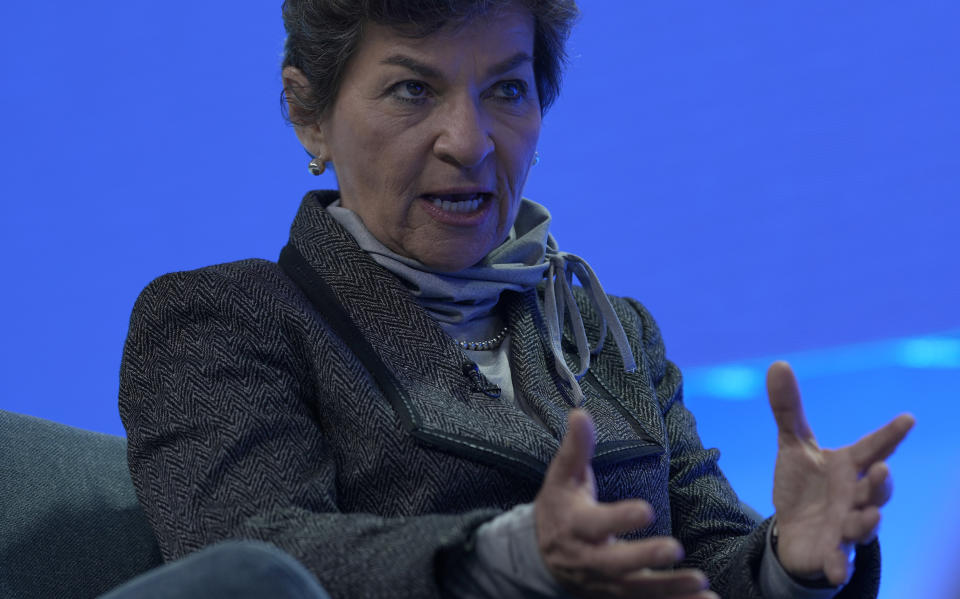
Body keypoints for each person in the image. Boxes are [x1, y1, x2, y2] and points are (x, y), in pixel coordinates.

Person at [117, 1, 914, 598]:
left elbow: (702, 561)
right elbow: (254, 561)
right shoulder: (223, 321)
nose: (468, 141)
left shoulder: (610, 330)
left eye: (506, 89)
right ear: (307, 112)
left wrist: (791, 561)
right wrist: (507, 556)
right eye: (409, 89)